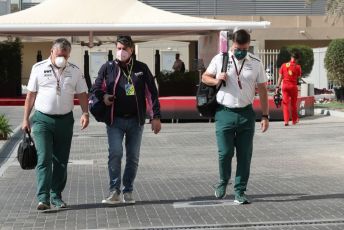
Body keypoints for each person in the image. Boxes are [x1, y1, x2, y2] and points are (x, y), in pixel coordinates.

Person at [202, 29, 269, 204]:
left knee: (245, 154)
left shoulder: (256, 63)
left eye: (245, 48)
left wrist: (265, 115)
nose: (241, 51)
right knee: (225, 153)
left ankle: (240, 191)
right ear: (233, 44)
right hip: (225, 112)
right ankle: (223, 182)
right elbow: (204, 77)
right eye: (238, 48)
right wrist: (216, 79)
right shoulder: (221, 59)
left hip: (246, 114)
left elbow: (262, 89)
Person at [91, 35, 161, 204]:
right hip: (115, 120)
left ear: (131, 50)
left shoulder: (141, 68)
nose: (121, 52)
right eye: (118, 48)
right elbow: (95, 88)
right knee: (115, 153)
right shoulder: (108, 67)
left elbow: (152, 93)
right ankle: (114, 191)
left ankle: (128, 190)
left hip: (135, 121)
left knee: (133, 157)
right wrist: (104, 96)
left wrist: (155, 117)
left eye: (124, 49)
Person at [22, 38, 89, 210]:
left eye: (65, 56)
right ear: (52, 52)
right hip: (42, 120)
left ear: (69, 55)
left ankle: (56, 196)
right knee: (44, 158)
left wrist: (85, 113)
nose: (62, 59)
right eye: (59, 55)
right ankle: (43, 198)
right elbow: (30, 95)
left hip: (65, 121)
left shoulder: (74, 70)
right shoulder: (38, 68)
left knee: (61, 161)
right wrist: (25, 119)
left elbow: (82, 93)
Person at [275, 52, 302, 126]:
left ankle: (286, 121)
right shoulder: (298, 67)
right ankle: (294, 120)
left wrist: (277, 87)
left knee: (285, 104)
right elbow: (298, 78)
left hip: (285, 86)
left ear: (291, 57)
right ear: (296, 59)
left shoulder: (283, 65)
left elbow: (280, 77)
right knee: (293, 104)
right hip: (293, 87)